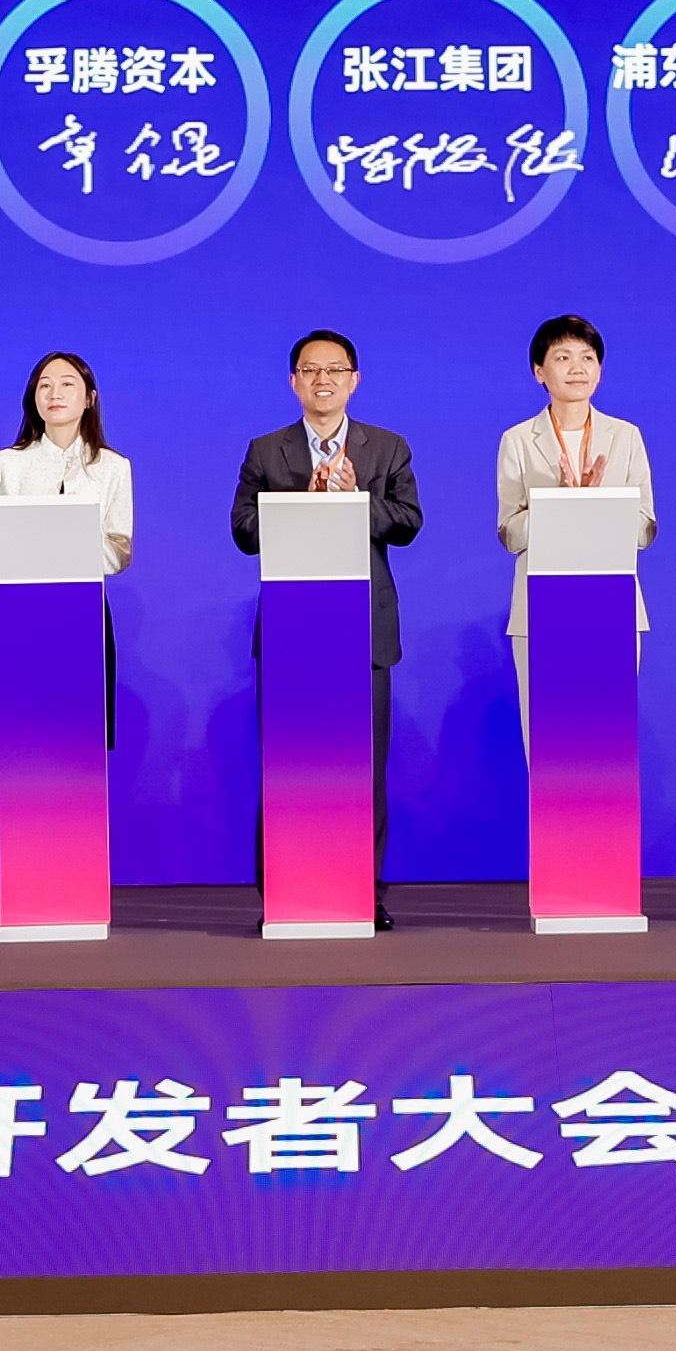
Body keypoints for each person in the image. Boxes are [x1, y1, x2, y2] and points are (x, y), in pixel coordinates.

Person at [228, 328, 423, 918]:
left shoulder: (386, 447)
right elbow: (243, 532)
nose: (323, 379)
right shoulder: (267, 451)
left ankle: (364, 892)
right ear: (293, 382)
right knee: (289, 764)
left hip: (364, 629)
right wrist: (301, 504)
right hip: (293, 630)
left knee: (365, 767)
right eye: (311, 370)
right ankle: (283, 892)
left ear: (354, 380)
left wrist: (356, 499)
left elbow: (408, 522)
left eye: (335, 369)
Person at [495, 312, 656, 736]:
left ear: (599, 371)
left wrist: (594, 506)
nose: (577, 368)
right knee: (548, 737)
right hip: (540, 605)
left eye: (587, 357)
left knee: (608, 736)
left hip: (612, 602)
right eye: (562, 357)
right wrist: (560, 506)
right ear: (539, 372)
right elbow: (510, 532)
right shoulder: (518, 440)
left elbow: (644, 528)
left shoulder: (626, 436)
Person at [0, 349, 133, 738]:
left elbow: (119, 552)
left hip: (85, 608)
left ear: (89, 398)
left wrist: (70, 535)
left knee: (82, 730)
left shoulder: (113, 467)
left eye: (67, 384)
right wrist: (24, 543)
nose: (54, 394)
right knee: (23, 729)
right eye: (44, 386)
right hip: (21, 608)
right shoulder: (6, 463)